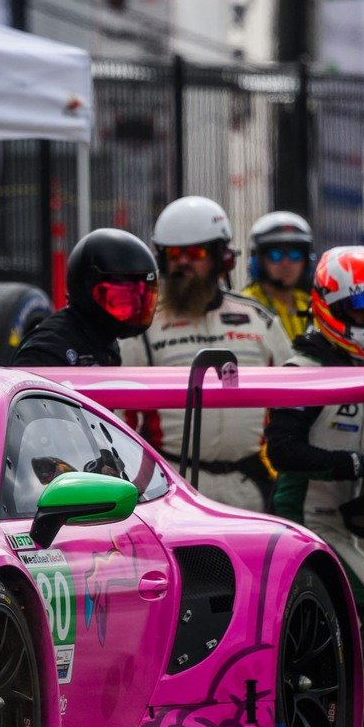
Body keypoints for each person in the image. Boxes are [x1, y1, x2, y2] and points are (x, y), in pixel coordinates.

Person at [263, 245, 364, 727]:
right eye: (360, 311)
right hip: (300, 521)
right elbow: (281, 450)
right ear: (330, 307)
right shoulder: (301, 366)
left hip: (341, 523)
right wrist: (356, 466)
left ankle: (342, 715)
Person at [122, 196, 288, 511]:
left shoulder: (259, 319)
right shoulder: (144, 325)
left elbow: (293, 397)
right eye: (174, 254)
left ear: (220, 257)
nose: (183, 263)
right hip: (169, 486)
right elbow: (120, 412)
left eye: (195, 253)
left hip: (249, 484)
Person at [13, 228, 159, 368]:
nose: (138, 306)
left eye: (143, 297)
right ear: (88, 287)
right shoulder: (46, 350)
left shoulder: (106, 342)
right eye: (123, 297)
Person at [241, 211, 315, 342]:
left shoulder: (312, 307)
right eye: (276, 255)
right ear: (258, 262)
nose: (286, 263)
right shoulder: (244, 307)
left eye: (295, 254)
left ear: (307, 261)